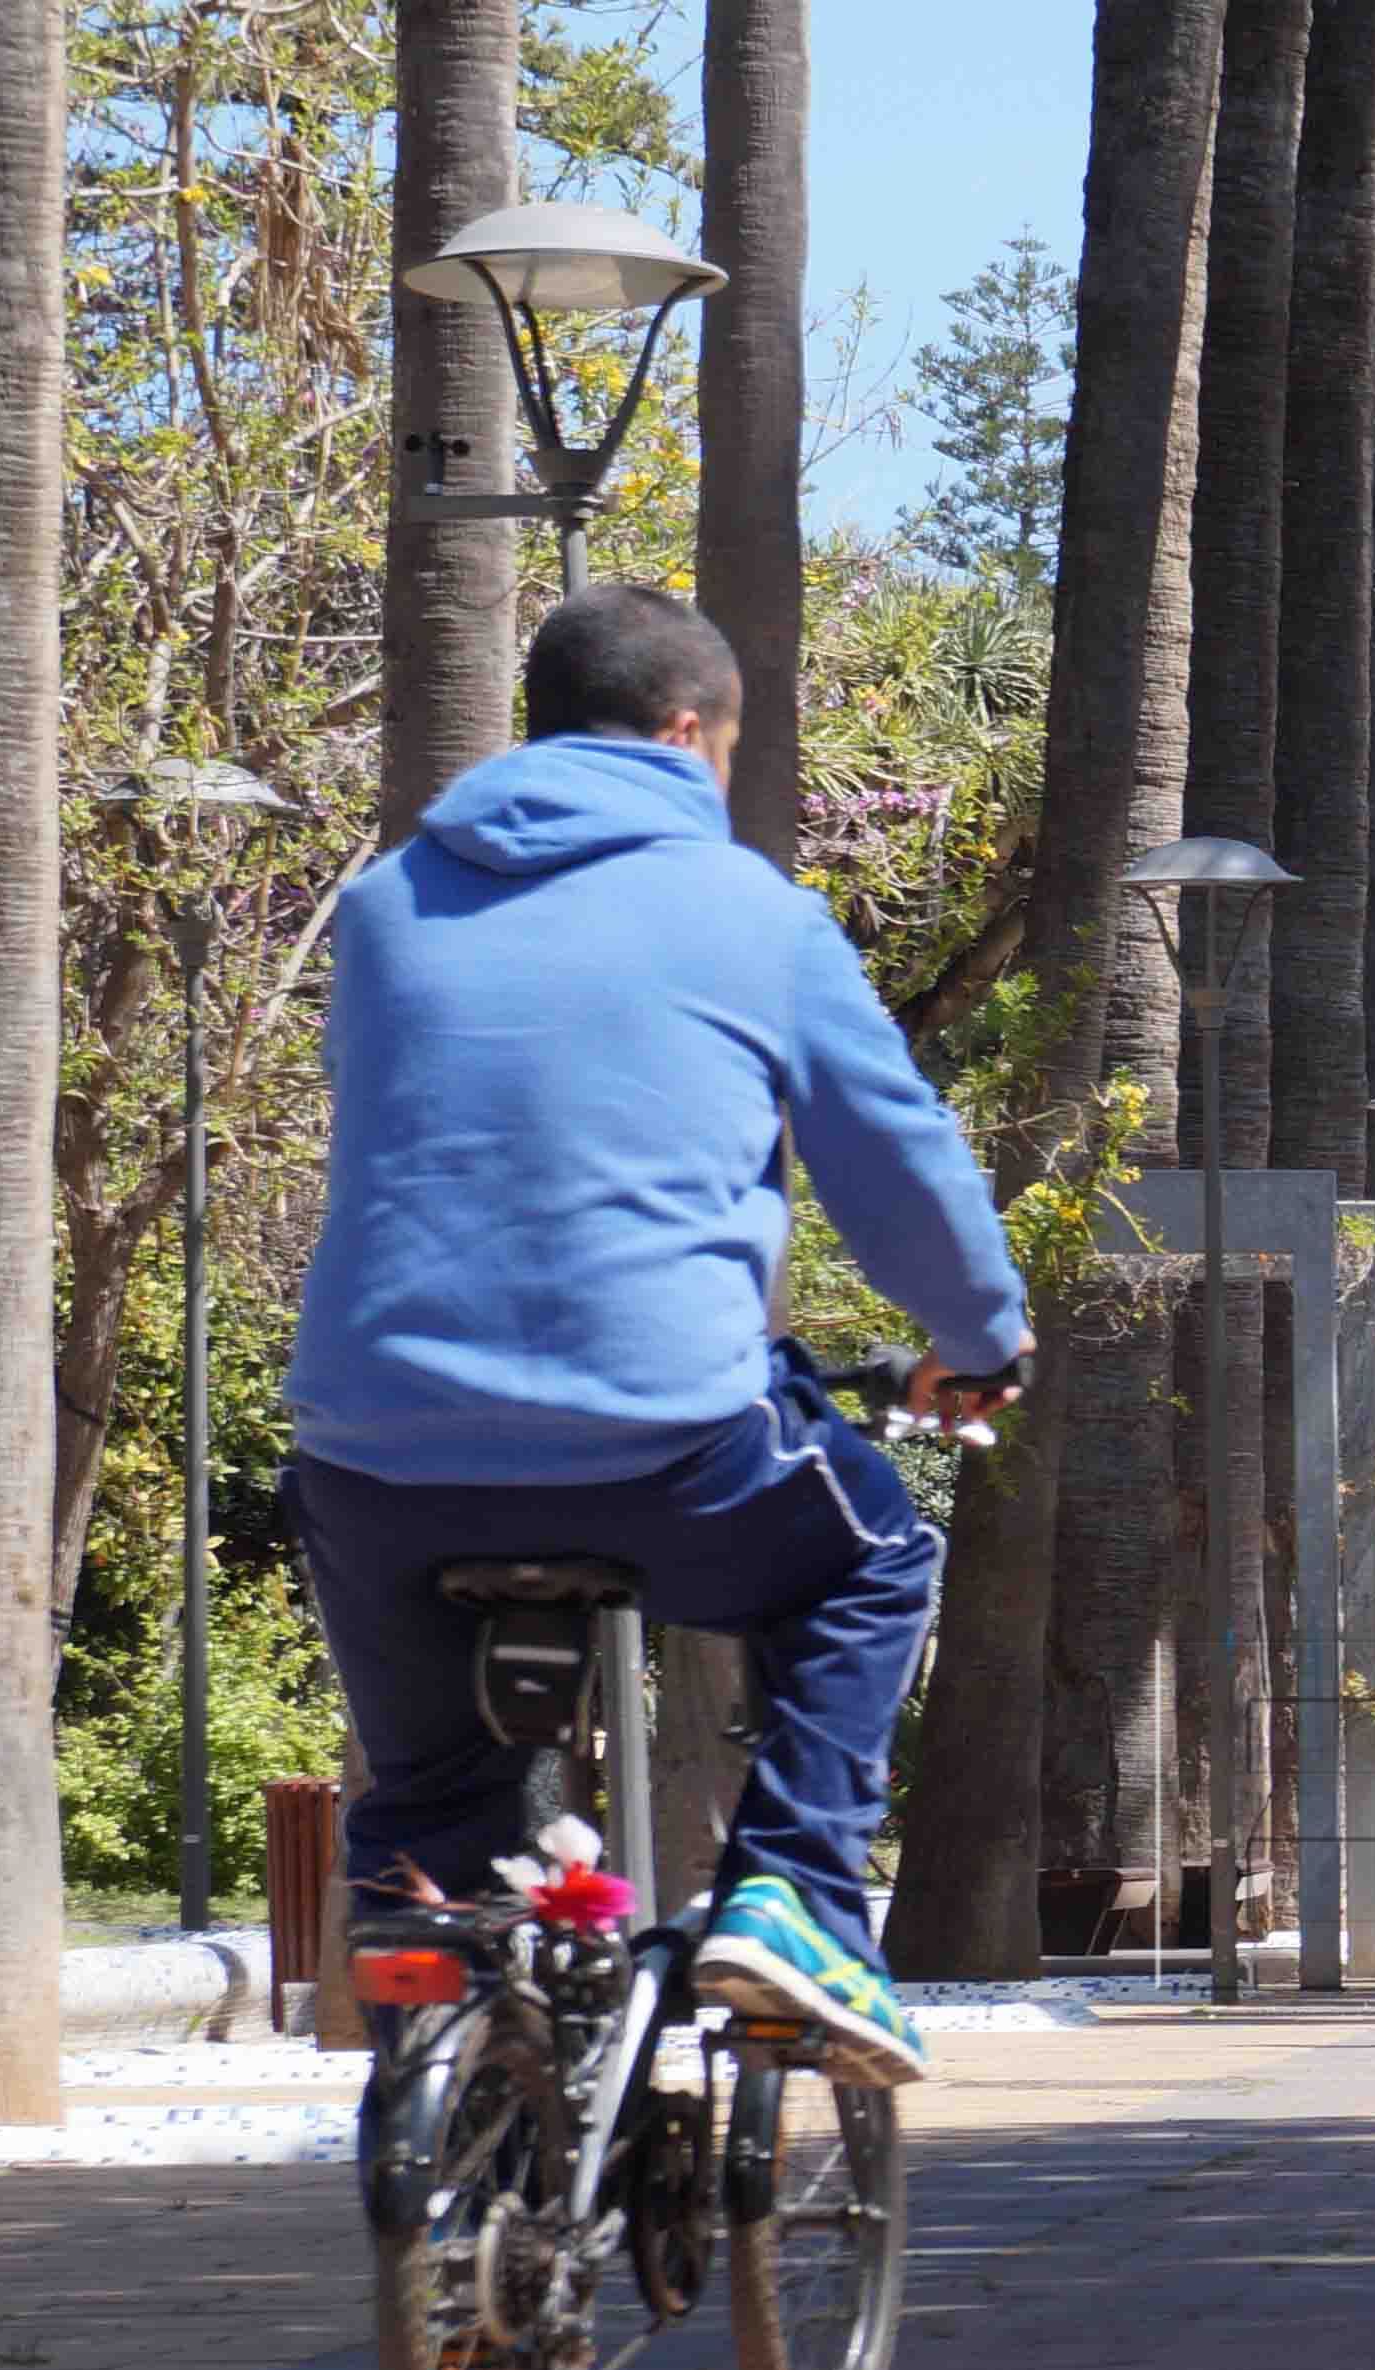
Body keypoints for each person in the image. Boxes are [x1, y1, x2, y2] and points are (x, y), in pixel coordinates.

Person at [284, 583, 1031, 2085]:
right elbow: (897, 1167)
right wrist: (977, 1337)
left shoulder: (381, 907)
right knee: (874, 1555)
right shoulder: (753, 916)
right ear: (691, 736)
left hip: (372, 1458)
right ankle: (796, 1902)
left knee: (434, 1795)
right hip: (664, 1443)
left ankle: (437, 2037)